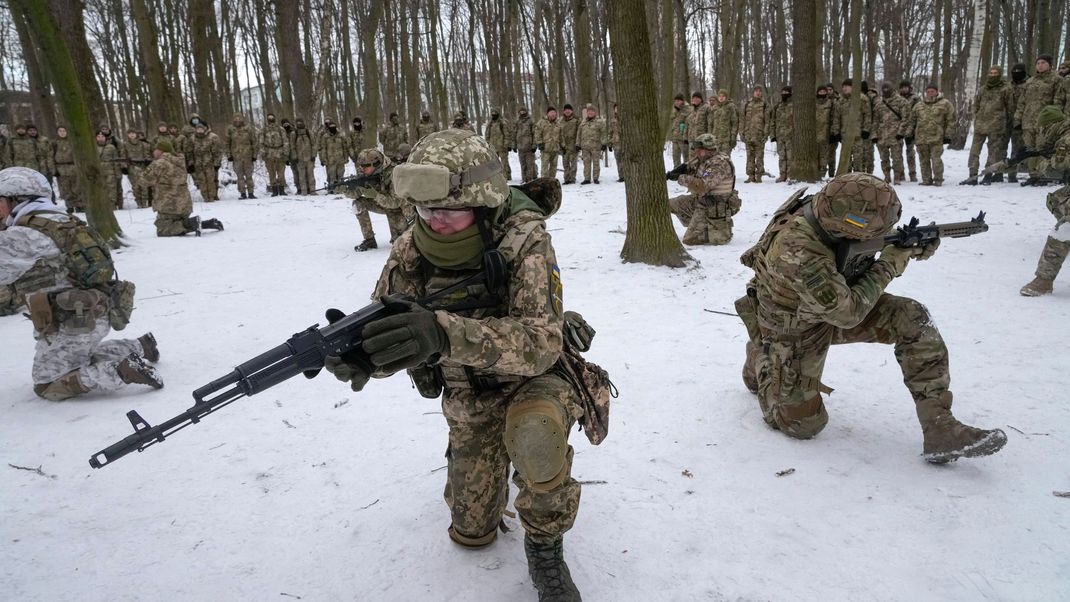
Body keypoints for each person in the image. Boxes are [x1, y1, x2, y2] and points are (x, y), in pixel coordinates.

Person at [326, 128, 588, 601]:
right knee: (472, 533)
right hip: (468, 395)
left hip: (536, 378)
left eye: (450, 211)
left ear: (485, 204)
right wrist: (368, 358)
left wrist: (442, 332)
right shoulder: (410, 250)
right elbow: (397, 327)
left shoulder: (523, 239)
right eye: (426, 210)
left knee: (534, 434)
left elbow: (540, 343)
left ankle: (546, 547)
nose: (436, 222)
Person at [735, 172, 1007, 463]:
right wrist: (890, 263)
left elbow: (858, 251)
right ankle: (762, 358)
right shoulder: (799, 248)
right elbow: (848, 313)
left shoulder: (832, 208)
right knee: (802, 425)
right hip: (792, 326)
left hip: (832, 303)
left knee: (911, 317)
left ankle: (940, 426)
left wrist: (907, 246)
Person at [0, 166, 163, 400]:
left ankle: (122, 371)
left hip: (73, 323)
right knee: (82, 357)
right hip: (92, 314)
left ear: (17, 199)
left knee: (47, 384)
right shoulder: (62, 220)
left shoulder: (24, 235)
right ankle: (139, 347)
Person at [1020, 106, 1070, 296]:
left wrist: (1039, 164)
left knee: (1064, 230)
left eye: (1044, 128)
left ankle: (1043, 280)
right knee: (1056, 199)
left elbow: (1055, 168)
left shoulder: (1066, 139)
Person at [667, 133, 740, 245]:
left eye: (698, 150)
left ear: (708, 150)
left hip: (714, 206)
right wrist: (679, 170)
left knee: (689, 240)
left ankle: (713, 228)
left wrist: (680, 177)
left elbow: (702, 186)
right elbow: (690, 165)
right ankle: (699, 223)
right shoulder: (704, 159)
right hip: (701, 202)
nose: (695, 152)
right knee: (669, 204)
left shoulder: (719, 164)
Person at [140, 140, 223, 237]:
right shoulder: (179, 161)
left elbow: (143, 182)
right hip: (184, 204)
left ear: (161, 151)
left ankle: (193, 223)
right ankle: (205, 224)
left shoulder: (159, 163)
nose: (154, 152)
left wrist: (142, 169)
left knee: (163, 230)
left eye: (156, 149)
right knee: (179, 223)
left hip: (168, 204)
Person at [348, 148, 408, 252]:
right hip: (382, 203)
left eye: (365, 166)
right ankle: (369, 239)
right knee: (357, 204)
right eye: (360, 166)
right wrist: (346, 190)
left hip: (400, 209)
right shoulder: (365, 171)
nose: (362, 169)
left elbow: (395, 202)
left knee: (400, 244)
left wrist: (375, 195)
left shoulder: (394, 173)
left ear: (376, 164)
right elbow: (356, 194)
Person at [965, 67, 1014, 184]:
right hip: (980, 125)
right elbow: (976, 104)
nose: (993, 75)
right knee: (974, 151)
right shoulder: (983, 89)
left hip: (997, 126)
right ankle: (972, 175)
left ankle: (988, 175)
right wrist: (977, 115)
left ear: (1000, 74)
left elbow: (1010, 108)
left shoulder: (1006, 89)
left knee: (994, 152)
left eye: (995, 73)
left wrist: (1005, 121)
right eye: (991, 73)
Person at [1014, 55, 1061, 177]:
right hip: (1028, 121)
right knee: (1030, 148)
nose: (1040, 65)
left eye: (1043, 62)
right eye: (1038, 63)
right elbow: (1022, 102)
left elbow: (1058, 101)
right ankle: (1032, 174)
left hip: (1045, 121)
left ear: (1050, 65)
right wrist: (1018, 118)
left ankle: (1042, 174)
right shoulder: (1030, 81)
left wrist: (1055, 119)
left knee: (1042, 148)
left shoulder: (1056, 80)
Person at [907, 83, 956, 186]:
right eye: (928, 91)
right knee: (923, 161)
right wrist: (909, 134)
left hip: (937, 138)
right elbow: (912, 121)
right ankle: (926, 180)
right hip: (921, 138)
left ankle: (938, 179)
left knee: (936, 160)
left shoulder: (945, 104)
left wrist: (948, 135)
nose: (930, 93)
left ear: (937, 92)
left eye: (932, 91)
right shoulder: (919, 105)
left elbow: (951, 120)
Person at [872, 81, 910, 184]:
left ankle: (897, 176)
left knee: (897, 158)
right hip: (881, 136)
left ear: (892, 89)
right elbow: (875, 120)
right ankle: (887, 176)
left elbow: (905, 118)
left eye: (888, 88)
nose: (886, 91)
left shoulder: (901, 101)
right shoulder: (879, 103)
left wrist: (900, 133)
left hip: (895, 135)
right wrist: (874, 135)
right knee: (883, 159)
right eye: (884, 89)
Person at [226, 113, 258, 199]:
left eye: (239, 118)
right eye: (236, 118)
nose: (238, 120)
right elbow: (227, 143)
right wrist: (229, 155)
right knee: (240, 177)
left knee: (249, 176)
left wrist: (254, 155)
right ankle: (242, 193)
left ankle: (251, 193)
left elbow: (254, 142)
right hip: (236, 157)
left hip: (248, 156)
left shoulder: (248, 129)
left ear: (242, 119)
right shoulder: (230, 129)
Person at [188, 124, 223, 201]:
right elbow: (189, 152)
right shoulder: (192, 139)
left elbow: (216, 151)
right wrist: (191, 164)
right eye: (198, 129)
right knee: (202, 181)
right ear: (196, 130)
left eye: (201, 129)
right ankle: (205, 197)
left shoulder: (210, 138)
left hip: (209, 163)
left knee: (210, 181)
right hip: (198, 165)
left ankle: (212, 196)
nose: (200, 131)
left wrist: (216, 163)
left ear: (204, 129)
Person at [741, 86, 768, 183]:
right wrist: (742, 132)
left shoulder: (764, 104)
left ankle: (759, 175)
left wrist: (766, 133)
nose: (758, 93)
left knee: (759, 156)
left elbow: (767, 121)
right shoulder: (747, 104)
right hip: (748, 134)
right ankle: (750, 175)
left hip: (759, 134)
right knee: (750, 156)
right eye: (756, 91)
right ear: (753, 92)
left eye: (760, 91)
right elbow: (742, 119)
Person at [576, 103, 607, 185]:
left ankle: (596, 178)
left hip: (596, 146)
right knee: (586, 163)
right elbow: (579, 134)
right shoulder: (583, 123)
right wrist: (577, 144)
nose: (590, 113)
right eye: (589, 111)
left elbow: (603, 133)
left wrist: (604, 143)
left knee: (596, 163)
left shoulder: (600, 122)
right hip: (585, 147)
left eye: (592, 111)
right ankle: (587, 179)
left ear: (595, 112)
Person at [260, 113, 289, 196]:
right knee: (271, 173)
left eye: (272, 118)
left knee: (281, 173)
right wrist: (263, 154)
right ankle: (274, 190)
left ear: (275, 119)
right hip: (269, 154)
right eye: (269, 118)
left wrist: (285, 153)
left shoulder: (281, 129)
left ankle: (282, 190)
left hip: (280, 153)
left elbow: (285, 141)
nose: (271, 120)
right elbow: (261, 142)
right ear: (267, 120)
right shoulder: (264, 130)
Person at [768, 86, 793, 182]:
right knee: (781, 156)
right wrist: (773, 135)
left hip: (791, 136)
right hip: (780, 135)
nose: (785, 93)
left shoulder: (794, 105)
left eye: (787, 92)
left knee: (790, 156)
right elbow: (773, 121)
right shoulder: (778, 106)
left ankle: (790, 175)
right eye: (783, 92)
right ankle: (782, 174)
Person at [52, 126, 80, 212]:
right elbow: (51, 156)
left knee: (77, 187)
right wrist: (54, 169)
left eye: (64, 131)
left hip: (73, 167)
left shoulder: (72, 142)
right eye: (60, 131)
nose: (62, 132)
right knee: (65, 188)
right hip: (61, 168)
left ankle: (79, 205)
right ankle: (70, 206)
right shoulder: (54, 143)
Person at [122, 129, 153, 208]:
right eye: (130, 133)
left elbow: (147, 154)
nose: (132, 135)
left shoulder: (143, 144)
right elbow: (123, 156)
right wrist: (124, 167)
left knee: (144, 186)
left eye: (133, 133)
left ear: (136, 134)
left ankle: (144, 203)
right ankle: (139, 203)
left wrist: (147, 162)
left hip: (142, 167)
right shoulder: (125, 145)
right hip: (132, 168)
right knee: (135, 187)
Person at [319, 118, 350, 190]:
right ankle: (332, 189)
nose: (332, 127)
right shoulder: (325, 137)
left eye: (334, 126)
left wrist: (346, 157)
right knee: (331, 175)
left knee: (340, 174)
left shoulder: (341, 136)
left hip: (340, 159)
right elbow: (323, 149)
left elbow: (345, 147)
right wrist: (323, 159)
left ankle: (341, 188)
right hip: (330, 160)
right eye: (331, 126)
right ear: (328, 127)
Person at [535, 107, 563, 181]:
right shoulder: (541, 122)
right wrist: (539, 143)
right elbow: (537, 134)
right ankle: (544, 181)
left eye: (554, 113)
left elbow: (561, 135)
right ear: (547, 114)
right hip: (545, 148)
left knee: (554, 166)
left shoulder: (558, 123)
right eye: (551, 113)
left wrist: (563, 145)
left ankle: (551, 180)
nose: (553, 114)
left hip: (555, 148)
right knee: (544, 166)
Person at [96, 131, 123, 209]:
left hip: (110, 173)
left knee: (112, 190)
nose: (100, 138)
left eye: (102, 137)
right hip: (99, 173)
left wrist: (118, 173)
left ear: (105, 138)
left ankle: (112, 206)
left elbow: (116, 161)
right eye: (98, 137)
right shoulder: (93, 147)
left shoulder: (111, 147)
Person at [484, 108, 512, 181]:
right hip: (493, 147)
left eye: (495, 113)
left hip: (502, 146)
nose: (494, 115)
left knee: (504, 162)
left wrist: (507, 144)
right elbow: (487, 134)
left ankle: (506, 176)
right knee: (494, 163)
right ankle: (496, 177)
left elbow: (507, 134)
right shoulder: (490, 124)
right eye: (492, 113)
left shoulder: (503, 123)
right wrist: (487, 144)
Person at [291, 118, 317, 195]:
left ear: (303, 123)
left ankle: (312, 191)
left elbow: (314, 145)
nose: (299, 124)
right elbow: (292, 146)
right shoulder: (294, 134)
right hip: (299, 158)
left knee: (311, 175)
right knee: (301, 176)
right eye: (297, 123)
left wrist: (313, 155)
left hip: (309, 158)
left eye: (300, 122)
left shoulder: (309, 132)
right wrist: (295, 157)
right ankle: (304, 191)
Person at [817, 85, 837, 178]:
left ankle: (824, 174)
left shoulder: (831, 103)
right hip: (815, 134)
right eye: (820, 92)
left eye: (824, 92)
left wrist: (833, 132)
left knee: (827, 156)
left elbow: (834, 118)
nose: (822, 93)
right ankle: (817, 174)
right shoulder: (814, 103)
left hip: (827, 134)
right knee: (816, 156)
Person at [514, 107, 538, 182]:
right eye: (521, 111)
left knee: (530, 164)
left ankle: (530, 179)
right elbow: (514, 133)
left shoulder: (531, 121)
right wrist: (514, 145)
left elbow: (535, 134)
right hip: (520, 147)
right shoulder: (517, 122)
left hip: (529, 147)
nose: (522, 113)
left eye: (523, 111)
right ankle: (524, 179)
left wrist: (534, 145)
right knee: (523, 165)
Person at [684, 91, 710, 160]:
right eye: (693, 98)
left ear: (701, 99)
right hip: (692, 140)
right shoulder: (691, 110)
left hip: (702, 140)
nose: (695, 99)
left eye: (697, 98)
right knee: (692, 160)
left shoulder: (706, 108)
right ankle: (692, 171)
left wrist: (709, 137)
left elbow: (710, 123)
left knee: (701, 159)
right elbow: (687, 124)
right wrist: (685, 137)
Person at [668, 93, 692, 167]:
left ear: (683, 101)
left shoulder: (688, 109)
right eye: (676, 101)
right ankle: (676, 172)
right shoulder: (674, 109)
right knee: (675, 157)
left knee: (686, 157)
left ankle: (687, 172)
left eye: (679, 101)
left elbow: (690, 124)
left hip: (684, 139)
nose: (677, 102)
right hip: (675, 138)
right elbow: (672, 122)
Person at [559, 104, 580, 184]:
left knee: (573, 163)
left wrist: (578, 144)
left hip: (573, 144)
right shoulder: (560, 121)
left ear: (572, 111)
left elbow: (579, 132)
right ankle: (566, 178)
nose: (567, 111)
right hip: (564, 145)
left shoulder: (577, 120)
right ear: (564, 111)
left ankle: (572, 178)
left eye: (569, 110)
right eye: (566, 110)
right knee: (565, 163)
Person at [609, 103, 623, 182]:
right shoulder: (612, 120)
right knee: (618, 160)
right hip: (616, 144)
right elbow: (610, 132)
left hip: (626, 143)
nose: (617, 110)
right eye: (616, 108)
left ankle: (628, 175)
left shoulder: (627, 118)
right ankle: (621, 176)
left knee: (627, 160)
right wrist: (610, 143)